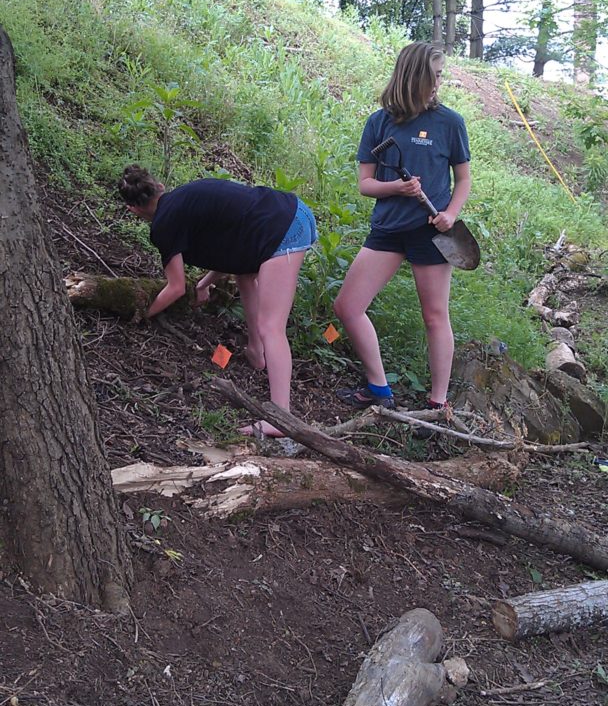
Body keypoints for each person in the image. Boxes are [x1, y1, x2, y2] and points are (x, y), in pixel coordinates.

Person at [118, 165, 317, 436]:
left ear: (133, 210)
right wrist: (203, 284)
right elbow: (232, 248)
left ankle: (280, 418)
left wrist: (143, 315)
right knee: (245, 277)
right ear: (159, 186)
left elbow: (175, 287)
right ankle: (257, 353)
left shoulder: (165, 224)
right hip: (288, 211)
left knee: (272, 326)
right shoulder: (184, 200)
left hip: (283, 228)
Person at [334, 42, 471, 411]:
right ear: (415, 76)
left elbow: (463, 180)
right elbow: (365, 184)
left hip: (431, 232)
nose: (439, 83)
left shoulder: (449, 123)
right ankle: (379, 389)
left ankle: (437, 405)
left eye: (441, 75)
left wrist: (451, 214)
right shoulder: (379, 122)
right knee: (348, 306)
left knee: (434, 315)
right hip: (388, 229)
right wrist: (397, 187)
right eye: (435, 75)